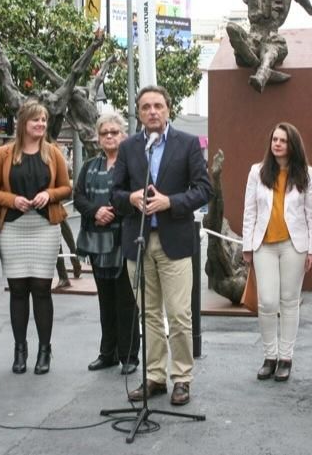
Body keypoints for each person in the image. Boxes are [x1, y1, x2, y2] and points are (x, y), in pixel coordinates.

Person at [112, 85, 212, 406]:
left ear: (168, 109)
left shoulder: (187, 144)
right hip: (138, 241)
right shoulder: (129, 148)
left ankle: (181, 377)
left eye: (158, 106)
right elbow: (114, 194)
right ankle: (154, 376)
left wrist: (171, 202)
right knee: (148, 315)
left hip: (176, 241)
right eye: (145, 107)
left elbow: (203, 189)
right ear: (138, 113)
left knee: (180, 314)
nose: (152, 112)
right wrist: (130, 197)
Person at [0, 99, 71, 375]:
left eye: (44, 120)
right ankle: (20, 349)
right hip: (13, 227)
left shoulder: (54, 153)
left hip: (45, 227)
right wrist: (12, 199)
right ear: (23, 123)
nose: (41, 125)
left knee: (42, 289)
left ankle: (45, 350)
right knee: (18, 290)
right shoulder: (3, 153)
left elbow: (66, 188)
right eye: (36, 120)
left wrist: (50, 194)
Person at [242, 123, 312, 382]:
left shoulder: (306, 173)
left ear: (292, 145)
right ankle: (269, 356)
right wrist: (247, 246)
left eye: (283, 141)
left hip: (294, 245)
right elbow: (249, 210)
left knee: (289, 301)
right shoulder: (257, 171)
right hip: (263, 244)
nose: (277, 144)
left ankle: (286, 357)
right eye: (274, 139)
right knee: (267, 302)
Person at [74, 113, 139, 375]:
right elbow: (78, 197)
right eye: (104, 133)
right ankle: (108, 353)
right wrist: (95, 212)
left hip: (125, 240)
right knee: (105, 301)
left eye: (114, 132)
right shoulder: (89, 166)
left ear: (124, 136)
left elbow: (137, 198)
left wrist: (115, 210)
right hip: (98, 242)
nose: (109, 136)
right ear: (98, 138)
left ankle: (129, 355)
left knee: (127, 301)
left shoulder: (133, 165)